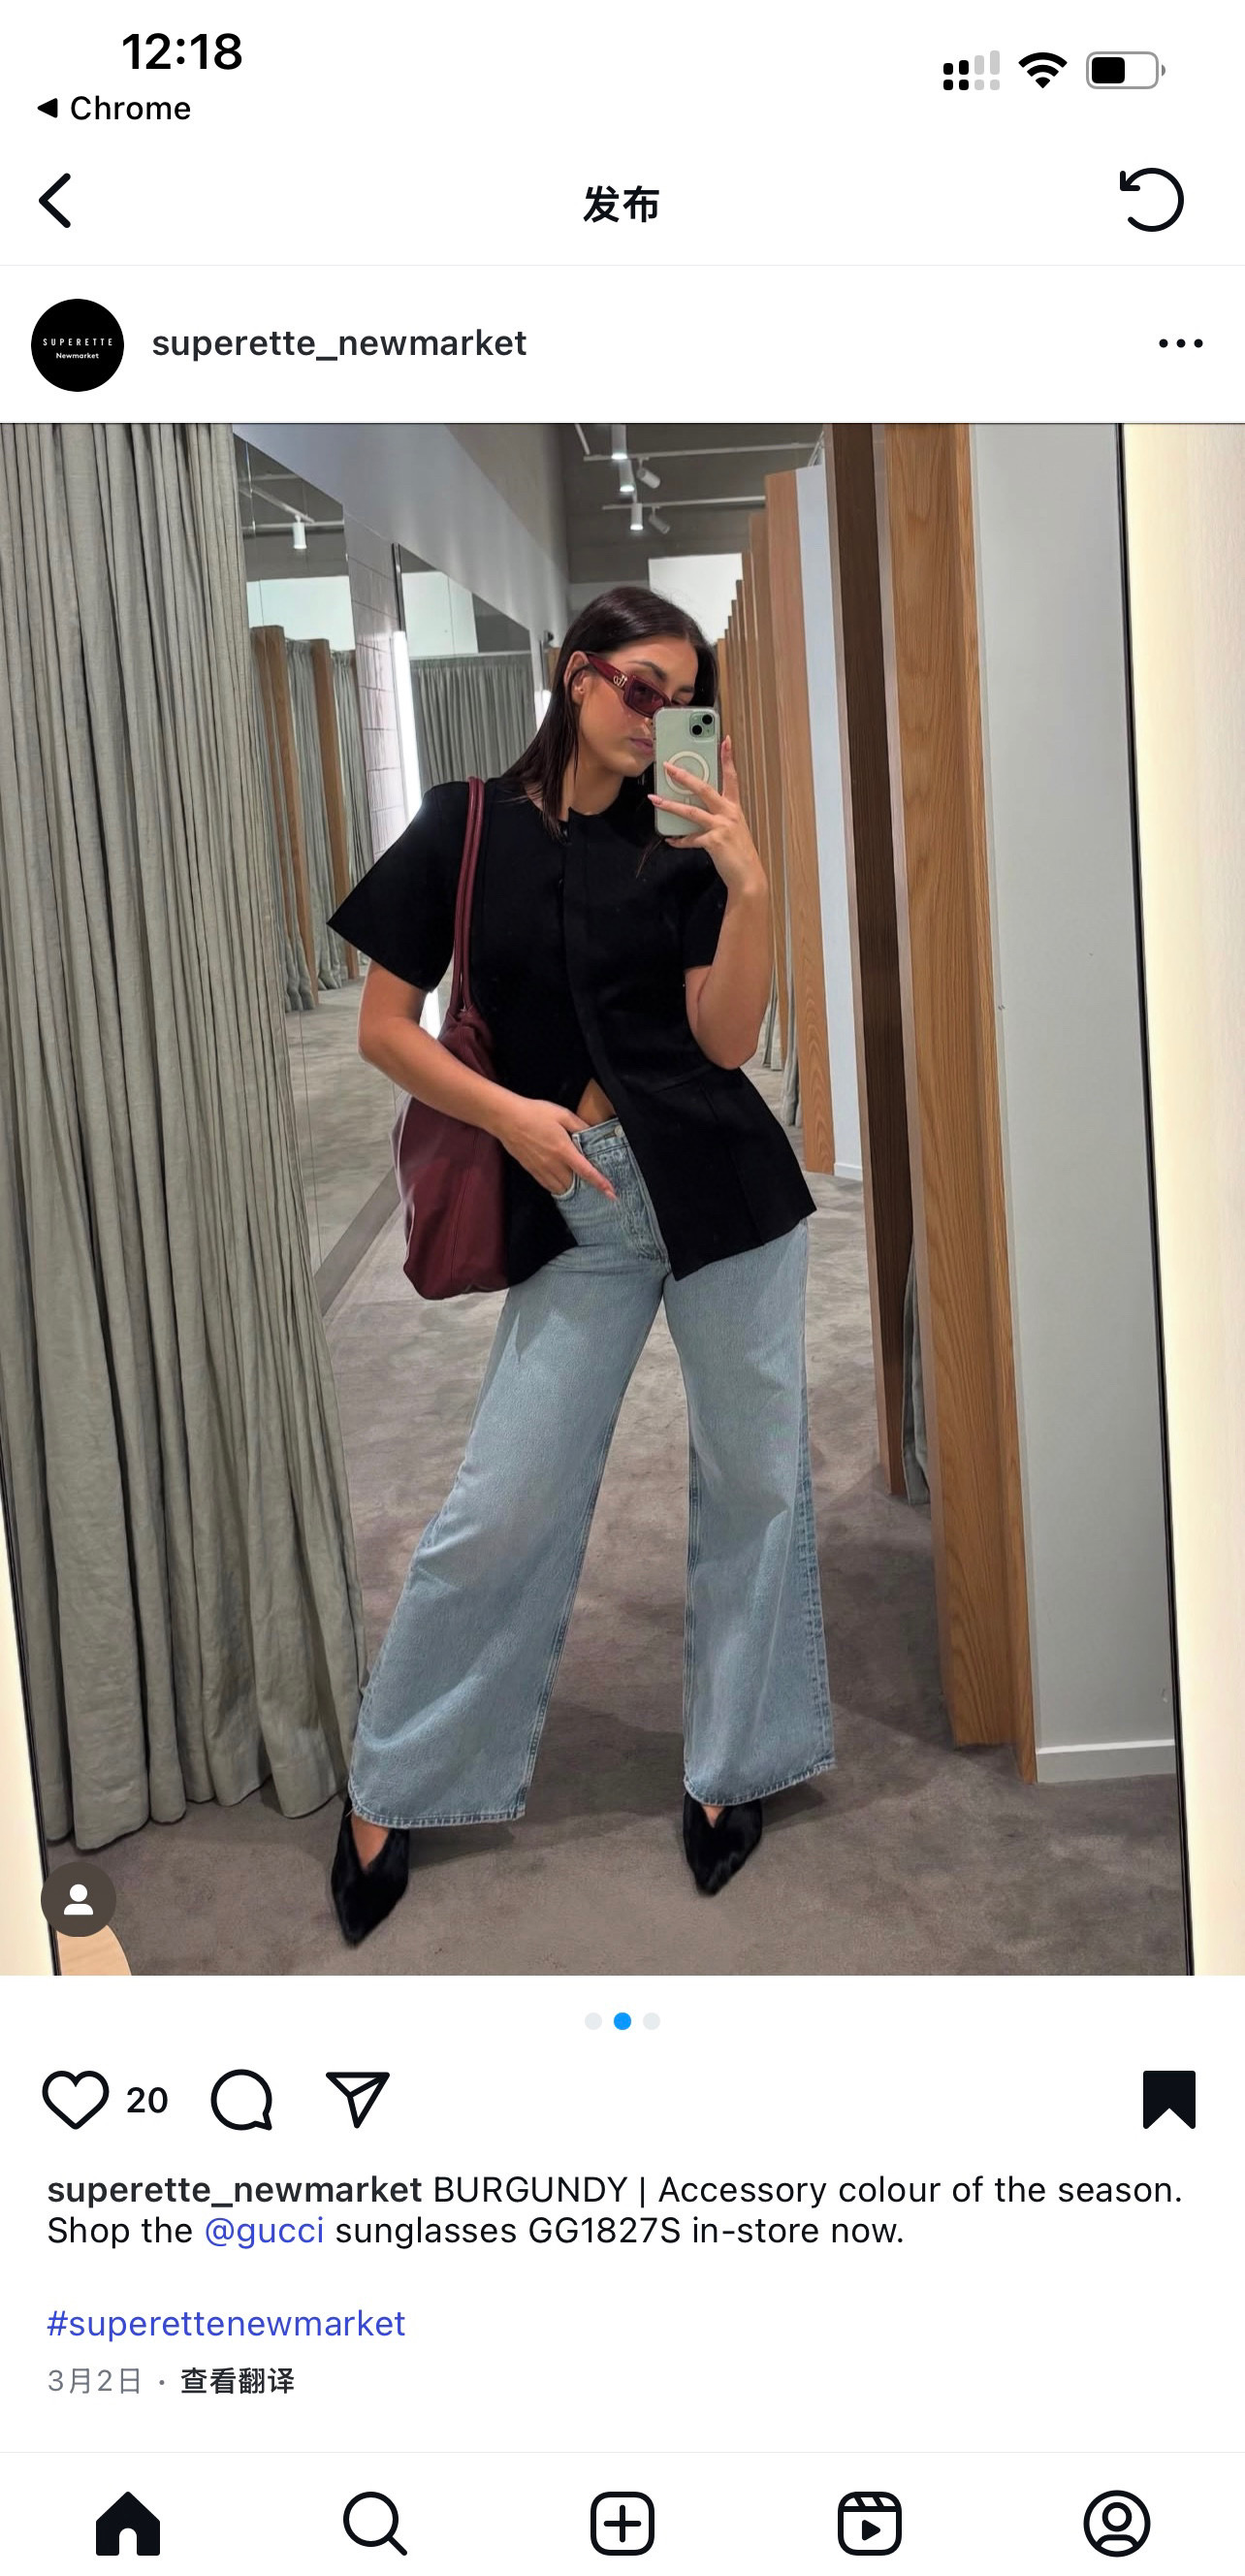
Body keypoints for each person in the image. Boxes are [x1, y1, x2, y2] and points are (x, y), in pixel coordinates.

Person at [325, 586, 835, 1946]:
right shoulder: (462, 824)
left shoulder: (685, 837)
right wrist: (512, 1118)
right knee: (506, 1497)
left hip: (726, 1192)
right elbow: (386, 1028)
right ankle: (398, 1777)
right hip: (579, 1203)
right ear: (574, 673)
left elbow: (726, 1043)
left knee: (757, 1484)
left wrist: (750, 884)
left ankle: (735, 1766)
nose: (658, 719)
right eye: (639, 688)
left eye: (685, 700)